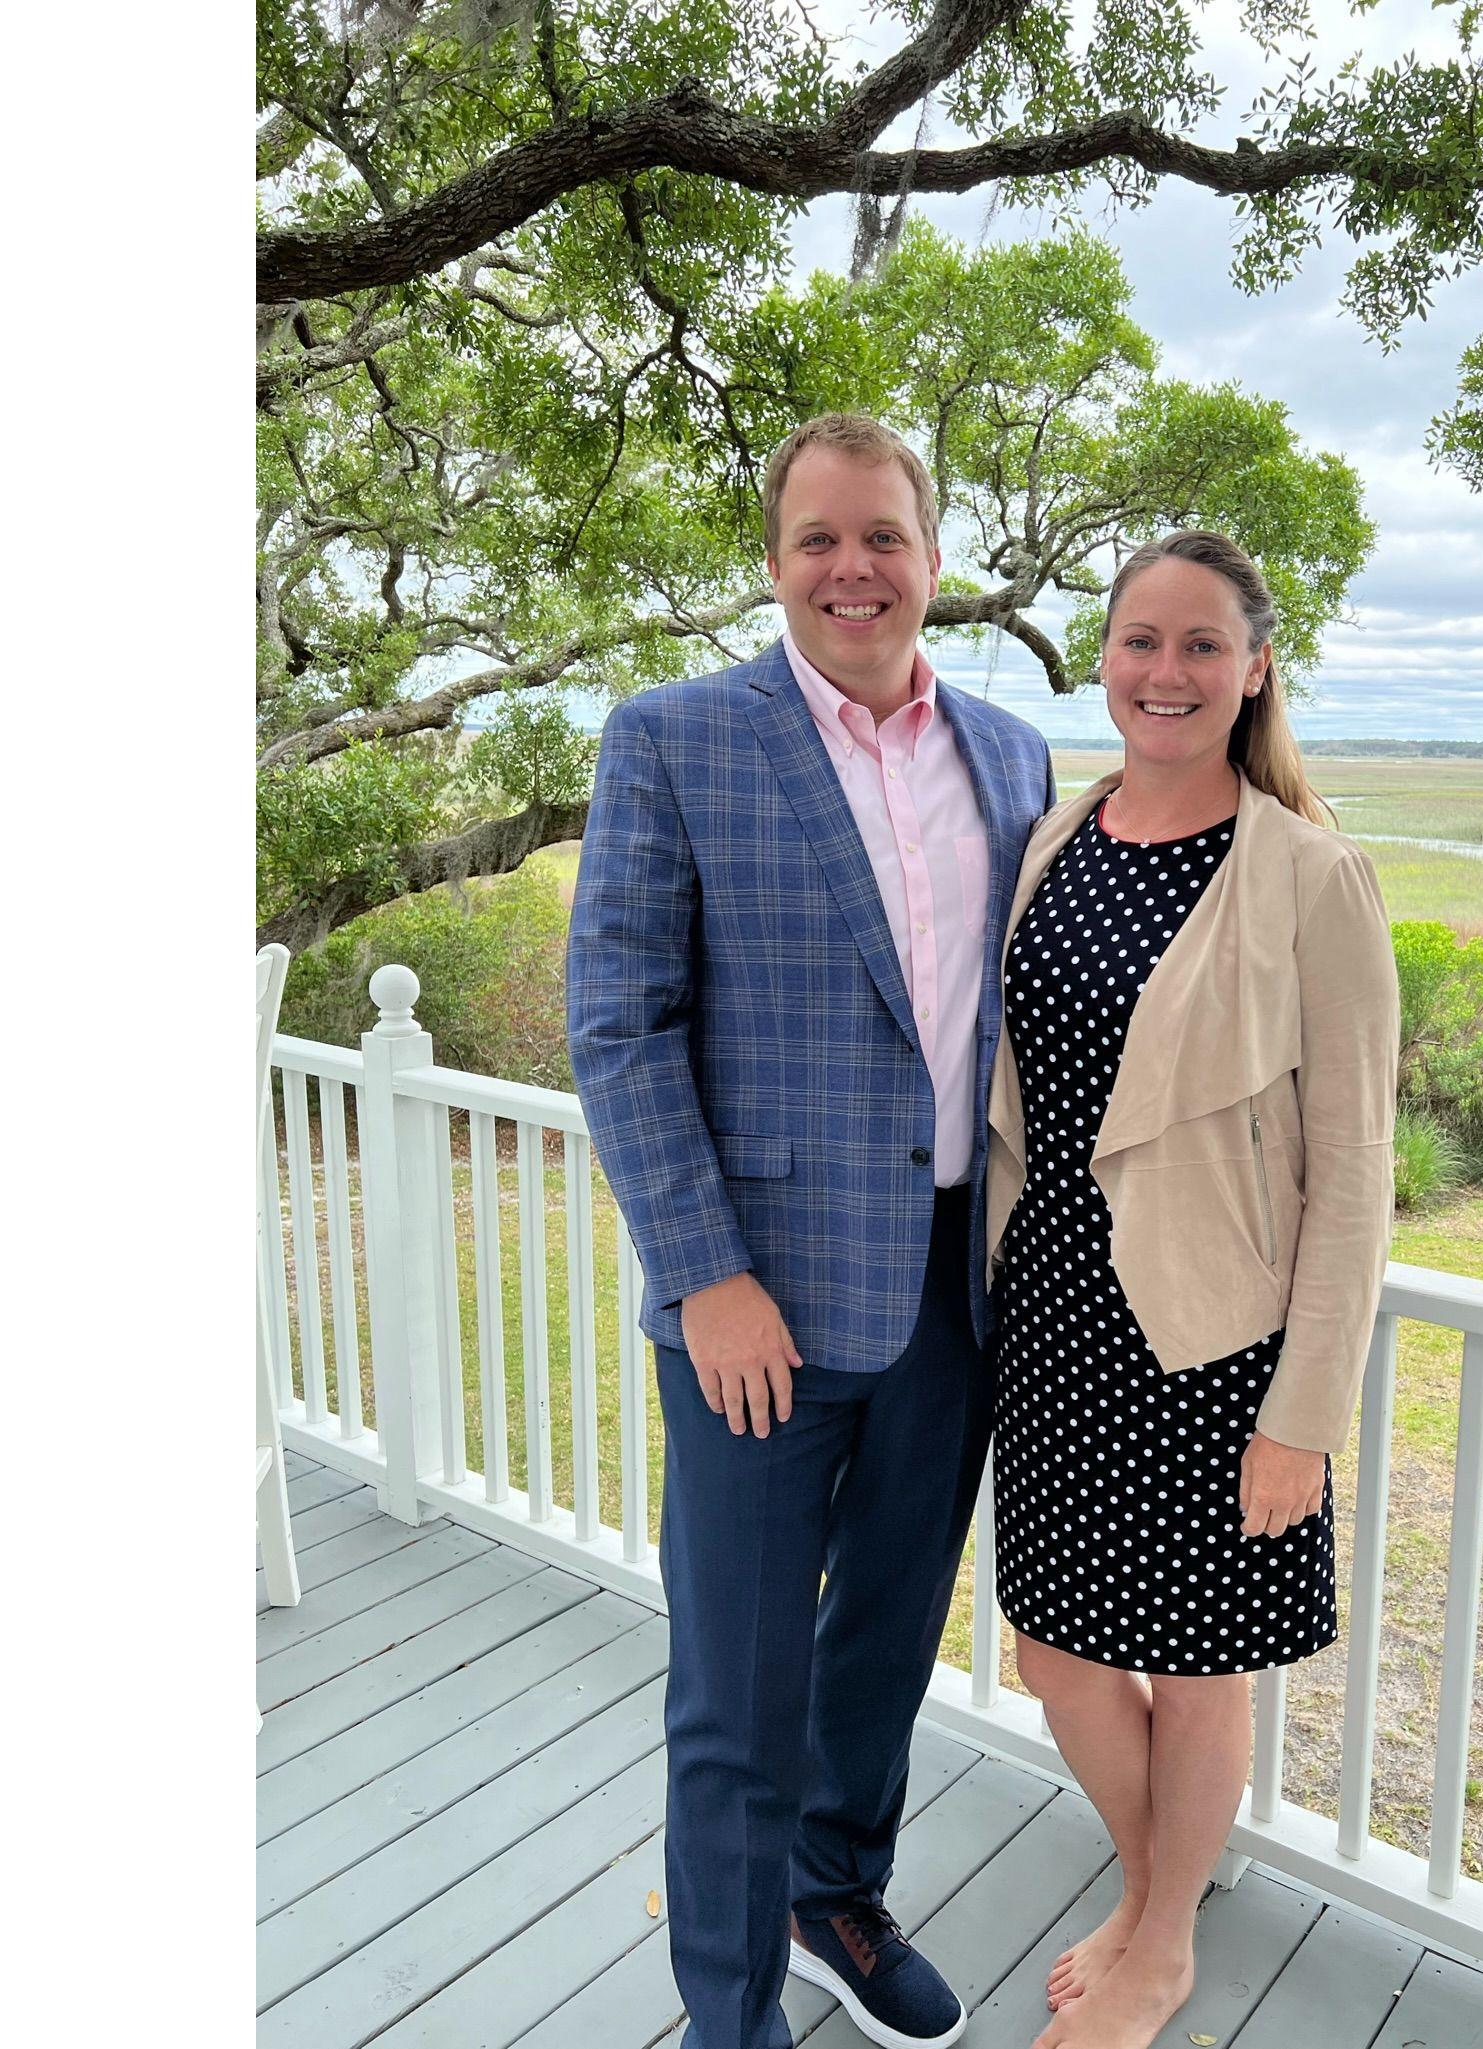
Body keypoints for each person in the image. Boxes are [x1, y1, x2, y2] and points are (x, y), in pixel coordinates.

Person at [567, 413, 1056, 2049]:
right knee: (739, 1681)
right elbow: (620, 1027)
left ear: (934, 554)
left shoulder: (1006, 752)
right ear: (775, 562)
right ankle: (730, 2007)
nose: (854, 568)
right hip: (753, 1302)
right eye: (818, 540)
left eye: (885, 537)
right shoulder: (672, 737)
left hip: (948, 1287)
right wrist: (705, 1275)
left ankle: (834, 1885)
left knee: (885, 1636)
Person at [984, 530, 1400, 2049]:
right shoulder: (1055, 835)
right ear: (1101, 657)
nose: (1163, 672)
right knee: (1055, 1644)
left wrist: (1304, 1410)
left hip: (1216, 1344)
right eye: (1137, 641)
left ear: (1253, 665)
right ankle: (1160, 1879)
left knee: (1197, 1657)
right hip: (1050, 1321)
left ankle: (1158, 1937)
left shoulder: (1309, 872)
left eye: (1198, 646)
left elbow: (1353, 1173)